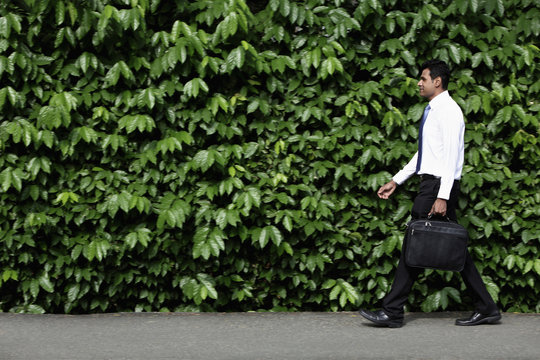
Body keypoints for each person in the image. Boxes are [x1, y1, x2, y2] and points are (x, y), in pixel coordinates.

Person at [358, 60, 501, 328]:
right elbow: (427, 153)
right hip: (433, 184)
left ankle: (392, 311)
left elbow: (449, 158)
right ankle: (487, 306)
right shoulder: (435, 110)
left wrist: (443, 196)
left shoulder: (448, 111)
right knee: (447, 246)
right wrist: (396, 180)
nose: (419, 82)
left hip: (437, 186)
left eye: (423, 78)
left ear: (437, 81)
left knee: (415, 241)